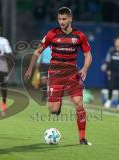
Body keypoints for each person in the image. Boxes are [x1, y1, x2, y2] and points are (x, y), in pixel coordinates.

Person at [25, 7, 92, 145]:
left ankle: (82, 138)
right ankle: (58, 101)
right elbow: (37, 52)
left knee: (79, 104)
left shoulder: (79, 36)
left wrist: (85, 68)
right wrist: (30, 69)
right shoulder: (51, 34)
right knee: (54, 110)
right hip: (55, 74)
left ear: (70, 19)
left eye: (64, 19)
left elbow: (88, 55)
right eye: (59, 19)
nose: (61, 22)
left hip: (72, 73)